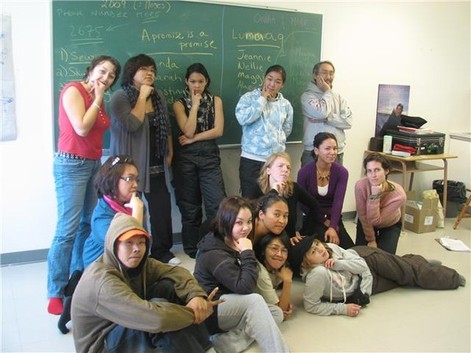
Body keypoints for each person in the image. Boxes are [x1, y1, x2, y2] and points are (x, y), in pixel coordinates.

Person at [71, 213, 220, 353]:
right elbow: (156, 319)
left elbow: (177, 272)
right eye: (129, 243)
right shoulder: (102, 282)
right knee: (161, 318)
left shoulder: (139, 263)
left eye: (141, 242)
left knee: (170, 287)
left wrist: (196, 296)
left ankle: (206, 348)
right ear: (113, 245)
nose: (136, 249)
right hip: (102, 345)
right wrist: (194, 313)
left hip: (122, 328)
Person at [47, 55, 121, 315]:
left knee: (87, 224)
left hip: (92, 164)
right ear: (91, 70)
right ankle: (55, 291)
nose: (105, 78)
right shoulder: (73, 90)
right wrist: (99, 97)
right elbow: (81, 127)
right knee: (66, 229)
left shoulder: (98, 100)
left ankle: (78, 277)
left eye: (111, 76)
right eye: (102, 71)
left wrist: (99, 98)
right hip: (70, 164)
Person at [194, 196, 290, 353]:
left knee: (276, 313)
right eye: (239, 222)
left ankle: (230, 342)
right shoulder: (215, 253)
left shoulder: (232, 239)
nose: (246, 228)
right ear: (226, 221)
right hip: (212, 310)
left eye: (249, 221)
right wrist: (247, 252)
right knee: (254, 301)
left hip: (230, 301)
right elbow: (245, 288)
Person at [110, 54, 179, 265]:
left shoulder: (158, 96)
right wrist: (142, 96)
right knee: (133, 210)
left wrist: (169, 153)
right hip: (131, 166)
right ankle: (136, 253)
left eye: (152, 70)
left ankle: (162, 252)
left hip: (157, 163)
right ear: (132, 73)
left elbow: (166, 126)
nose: (150, 73)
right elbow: (131, 124)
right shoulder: (120, 97)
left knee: (161, 209)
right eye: (144, 70)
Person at [288, 236, 466, 317]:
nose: (320, 249)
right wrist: (343, 309)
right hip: (361, 285)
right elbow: (312, 306)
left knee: (406, 273)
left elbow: (362, 266)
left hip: (364, 259)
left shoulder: (330, 249)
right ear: (306, 263)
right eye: (313, 251)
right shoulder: (317, 275)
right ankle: (418, 262)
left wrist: (340, 264)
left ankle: (451, 278)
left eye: (317, 244)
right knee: (401, 277)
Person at [172, 63, 226, 258]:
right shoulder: (179, 104)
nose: (197, 85)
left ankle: (216, 244)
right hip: (185, 159)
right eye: (193, 81)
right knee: (190, 206)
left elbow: (218, 130)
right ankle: (193, 249)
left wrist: (194, 138)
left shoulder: (216, 101)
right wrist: (194, 105)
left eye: (201, 81)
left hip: (209, 156)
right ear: (186, 81)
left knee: (217, 203)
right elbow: (187, 129)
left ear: (207, 82)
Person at [236, 64, 293, 199]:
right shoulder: (249, 98)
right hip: (252, 160)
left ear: (282, 85)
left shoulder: (286, 105)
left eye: (277, 81)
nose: (272, 84)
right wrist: (262, 99)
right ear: (264, 78)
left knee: (273, 202)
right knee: (251, 202)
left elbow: (286, 129)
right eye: (269, 79)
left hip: (275, 162)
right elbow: (242, 119)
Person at [82, 155, 144, 268]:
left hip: (126, 266)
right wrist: (137, 212)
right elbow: (132, 248)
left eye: (136, 179)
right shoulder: (102, 217)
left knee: (176, 276)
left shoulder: (133, 203)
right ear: (112, 180)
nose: (135, 185)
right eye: (129, 179)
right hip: (101, 270)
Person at [297, 132, 354, 249]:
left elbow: (338, 202)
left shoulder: (342, 172)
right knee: (325, 248)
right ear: (316, 150)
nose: (333, 152)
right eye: (327, 148)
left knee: (349, 249)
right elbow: (303, 204)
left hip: (333, 217)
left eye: (335, 148)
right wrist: (324, 221)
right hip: (312, 217)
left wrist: (333, 226)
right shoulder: (304, 172)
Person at [257, 152, 322, 244]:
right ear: (268, 170)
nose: (285, 170)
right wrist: (274, 192)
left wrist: (305, 233)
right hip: (266, 242)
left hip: (289, 241)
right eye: (280, 166)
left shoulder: (293, 188)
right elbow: (256, 214)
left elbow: (315, 206)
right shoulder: (257, 189)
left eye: (288, 167)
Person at [300, 60, 352, 166]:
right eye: (324, 72)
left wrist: (327, 119)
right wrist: (327, 92)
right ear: (315, 75)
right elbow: (322, 113)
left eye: (331, 73)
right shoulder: (307, 96)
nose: (328, 76)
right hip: (313, 153)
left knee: (336, 182)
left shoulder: (338, 97)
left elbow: (348, 122)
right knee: (309, 183)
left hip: (336, 153)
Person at [355, 152, 406, 254]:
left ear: (386, 171)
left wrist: (375, 196)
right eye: (369, 171)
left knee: (385, 259)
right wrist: (371, 239)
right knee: (362, 256)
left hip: (389, 224)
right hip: (367, 222)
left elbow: (376, 221)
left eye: (377, 170)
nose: (373, 175)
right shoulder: (360, 185)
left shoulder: (399, 195)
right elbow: (363, 215)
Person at [254, 232, 293, 321]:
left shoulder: (277, 267)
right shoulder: (260, 272)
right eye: (274, 248)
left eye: (284, 250)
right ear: (263, 251)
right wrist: (287, 282)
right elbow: (279, 312)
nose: (279, 254)